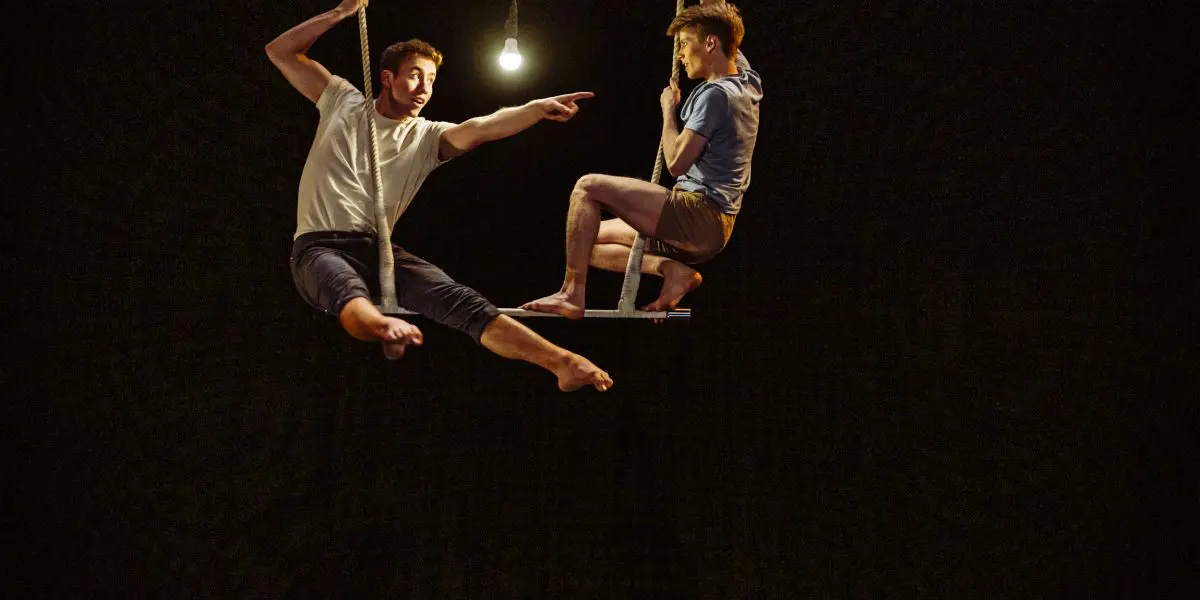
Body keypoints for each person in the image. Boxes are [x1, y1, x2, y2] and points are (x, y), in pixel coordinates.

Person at [266, 0, 612, 391]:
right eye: (414, 76)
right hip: (318, 247)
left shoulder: (427, 138)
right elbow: (279, 51)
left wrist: (533, 108)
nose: (424, 88)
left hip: (378, 249)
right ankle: (384, 326)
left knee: (462, 301)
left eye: (431, 79)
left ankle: (563, 363)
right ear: (386, 77)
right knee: (347, 291)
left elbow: (481, 127)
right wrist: (341, 12)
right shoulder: (341, 102)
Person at [520, 0, 761, 319]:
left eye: (686, 44)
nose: (681, 54)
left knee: (587, 187)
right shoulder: (748, 81)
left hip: (697, 216)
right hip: (710, 226)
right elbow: (721, 24)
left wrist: (668, 111)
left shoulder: (716, 95)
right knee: (584, 238)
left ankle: (571, 295)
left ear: (710, 43)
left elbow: (675, 162)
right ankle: (673, 271)